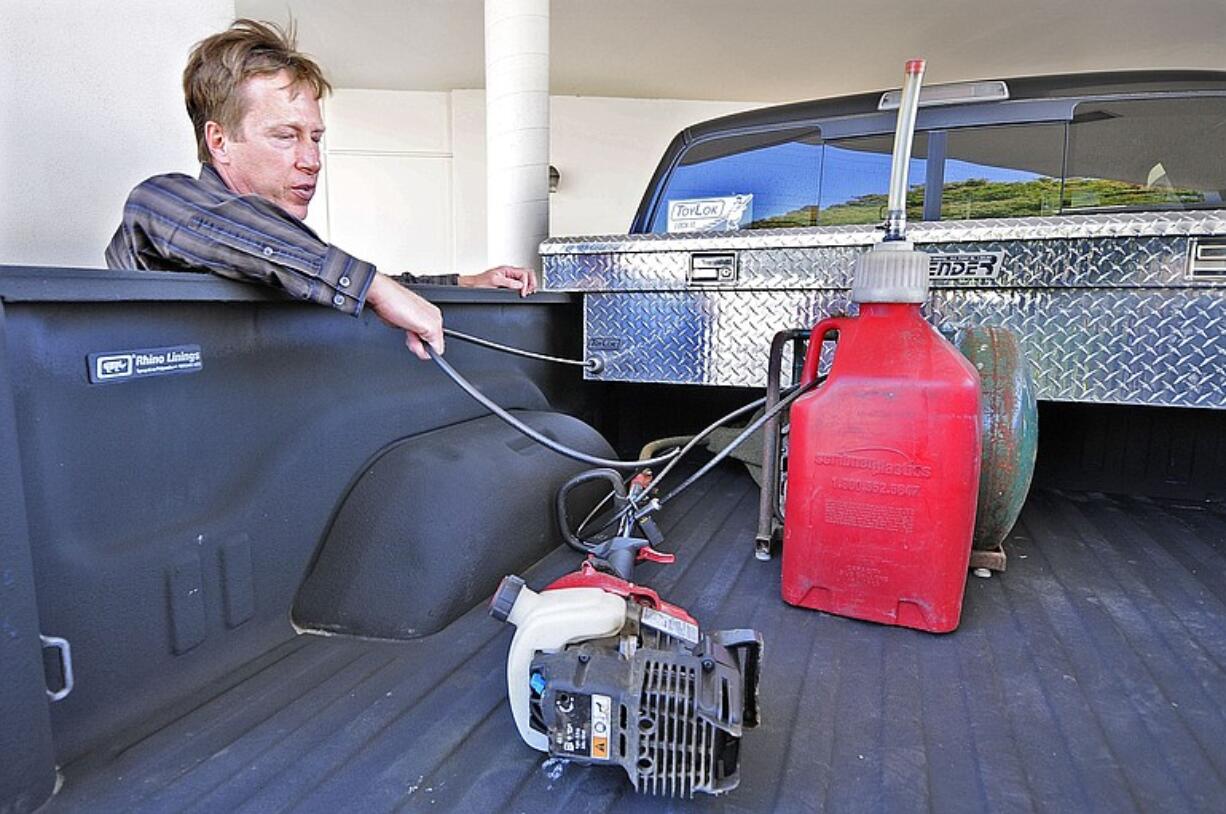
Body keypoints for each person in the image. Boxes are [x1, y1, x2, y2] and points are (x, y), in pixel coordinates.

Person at [105, 19, 536, 359]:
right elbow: (160, 207)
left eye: (315, 138)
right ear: (219, 141)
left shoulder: (292, 256)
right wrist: (376, 289)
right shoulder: (166, 209)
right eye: (285, 136)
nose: (311, 160)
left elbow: (363, 284)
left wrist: (465, 282)